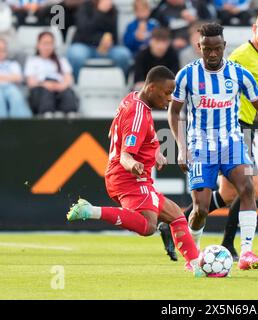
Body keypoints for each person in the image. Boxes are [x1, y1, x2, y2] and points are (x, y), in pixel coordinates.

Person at [160, 9, 258, 262]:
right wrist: (181, 148)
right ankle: (189, 238)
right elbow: (174, 112)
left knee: (248, 187)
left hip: (236, 138)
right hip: (204, 143)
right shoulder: (201, 70)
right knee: (203, 207)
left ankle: (243, 250)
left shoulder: (248, 66)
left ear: (224, 46)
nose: (213, 53)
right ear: (199, 47)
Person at [67, 66, 204, 277]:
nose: (169, 99)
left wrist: (155, 151)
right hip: (129, 177)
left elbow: (122, 132)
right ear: (151, 88)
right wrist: (133, 164)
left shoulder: (132, 99)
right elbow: (125, 154)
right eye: (167, 93)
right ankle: (91, 210)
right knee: (149, 226)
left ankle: (196, 266)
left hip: (124, 175)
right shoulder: (137, 113)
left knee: (177, 215)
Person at [66, 0, 132, 80]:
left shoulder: (112, 9)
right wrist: (100, 12)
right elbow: (84, 30)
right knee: (76, 55)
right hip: (85, 45)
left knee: (123, 55)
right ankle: (76, 83)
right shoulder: (84, 7)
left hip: (106, 49)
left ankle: (121, 82)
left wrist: (111, 41)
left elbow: (114, 34)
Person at [25, 31, 78, 118]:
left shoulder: (61, 60)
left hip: (59, 88)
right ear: (38, 45)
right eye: (45, 43)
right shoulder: (32, 61)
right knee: (46, 93)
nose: (47, 47)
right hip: (41, 90)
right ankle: (47, 117)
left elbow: (69, 79)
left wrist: (60, 86)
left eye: (50, 43)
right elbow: (31, 82)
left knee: (68, 93)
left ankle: (72, 118)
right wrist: (45, 85)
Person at [0, 38, 31, 118]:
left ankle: (20, 125)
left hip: (11, 88)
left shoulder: (13, 64)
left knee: (16, 96)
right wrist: (7, 77)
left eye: (2, 50)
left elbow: (18, 78)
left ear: (6, 51)